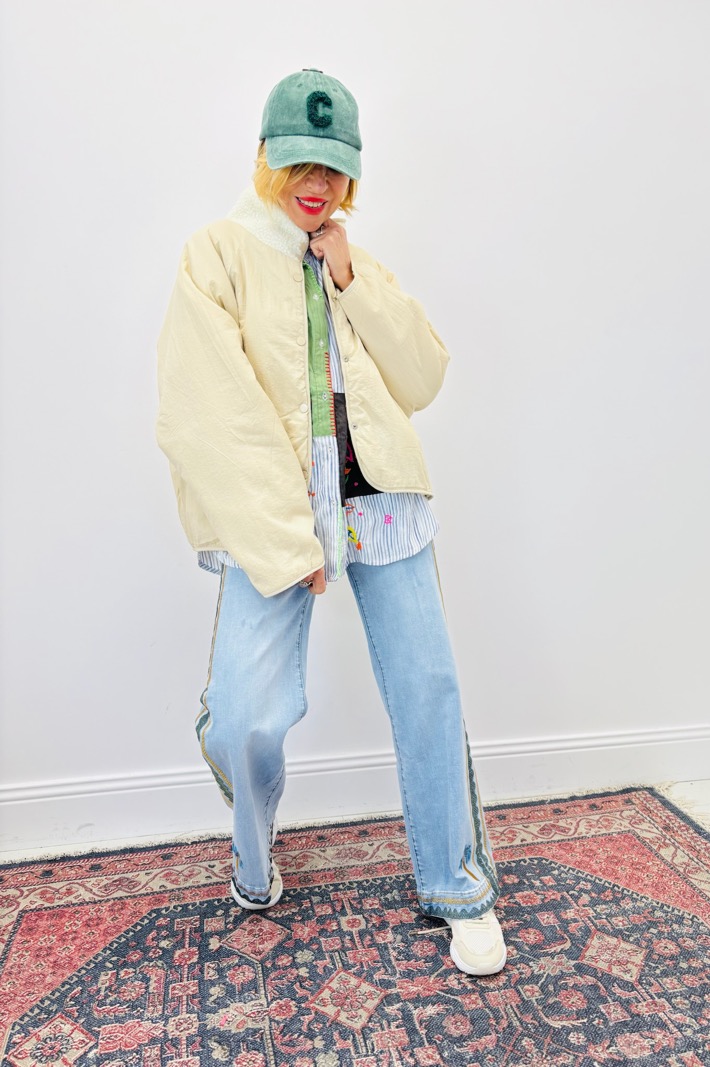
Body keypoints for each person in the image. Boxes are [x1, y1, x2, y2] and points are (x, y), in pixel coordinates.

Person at [156, 69, 506, 976]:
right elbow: (210, 418)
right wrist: (290, 542)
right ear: (264, 155)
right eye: (301, 163)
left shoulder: (351, 259)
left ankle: (457, 884)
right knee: (242, 718)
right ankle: (253, 857)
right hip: (277, 519)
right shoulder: (215, 255)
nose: (317, 184)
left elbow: (423, 377)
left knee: (428, 685)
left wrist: (352, 278)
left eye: (335, 168)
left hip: (381, 502)